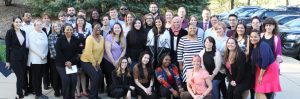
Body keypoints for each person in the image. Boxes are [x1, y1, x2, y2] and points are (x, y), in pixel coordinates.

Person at [249, 30, 281, 99]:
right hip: (260, 69)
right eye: (251, 37)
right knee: (258, 89)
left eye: (255, 37)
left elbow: (265, 61)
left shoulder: (263, 45)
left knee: (261, 90)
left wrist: (260, 76)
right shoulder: (254, 46)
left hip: (269, 69)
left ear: (259, 37)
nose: (253, 38)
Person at [55, 24, 80, 99]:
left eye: (70, 29)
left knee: (73, 80)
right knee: (66, 80)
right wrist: (66, 62)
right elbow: (58, 51)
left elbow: (77, 52)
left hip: (72, 63)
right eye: (67, 29)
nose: (69, 31)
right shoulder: (60, 39)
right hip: (61, 64)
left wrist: (70, 62)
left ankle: (71, 96)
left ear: (73, 30)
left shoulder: (75, 39)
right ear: (64, 30)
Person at [5, 16, 28, 99]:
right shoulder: (10, 32)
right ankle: (18, 94)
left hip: (23, 58)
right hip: (14, 58)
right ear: (13, 23)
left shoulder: (23, 32)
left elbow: (24, 46)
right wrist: (7, 61)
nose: (18, 23)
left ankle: (21, 92)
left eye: (19, 22)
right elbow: (7, 47)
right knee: (20, 75)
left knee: (22, 76)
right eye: (16, 22)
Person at [80, 24, 105, 99]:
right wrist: (94, 63)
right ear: (93, 29)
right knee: (95, 77)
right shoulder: (89, 38)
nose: (98, 29)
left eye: (99, 28)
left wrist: (98, 62)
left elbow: (102, 51)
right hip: (86, 61)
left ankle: (95, 95)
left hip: (96, 62)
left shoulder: (102, 38)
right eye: (96, 28)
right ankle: (92, 96)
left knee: (100, 76)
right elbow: (88, 52)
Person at [103, 23, 126, 97]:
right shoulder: (109, 37)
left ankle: (117, 92)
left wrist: (119, 61)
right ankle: (110, 93)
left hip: (119, 61)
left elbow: (124, 50)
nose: (117, 29)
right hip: (109, 61)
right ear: (113, 29)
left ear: (121, 29)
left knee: (117, 77)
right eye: (115, 28)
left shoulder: (123, 37)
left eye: (118, 28)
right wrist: (113, 62)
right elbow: (108, 51)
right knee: (110, 78)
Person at [27, 19, 49, 99]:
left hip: (43, 59)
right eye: (37, 24)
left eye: (41, 24)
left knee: (40, 77)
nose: (39, 26)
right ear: (34, 25)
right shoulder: (32, 34)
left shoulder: (43, 33)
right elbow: (32, 47)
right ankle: (38, 94)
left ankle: (40, 93)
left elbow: (47, 45)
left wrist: (45, 54)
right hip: (36, 59)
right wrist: (41, 55)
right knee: (37, 78)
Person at [21, 12, 34, 96]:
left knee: (32, 71)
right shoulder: (20, 26)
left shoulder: (34, 25)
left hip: (33, 50)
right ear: (23, 17)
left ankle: (32, 88)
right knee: (24, 71)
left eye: (29, 15)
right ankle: (25, 88)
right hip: (23, 51)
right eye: (26, 16)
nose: (28, 17)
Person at [48, 21, 62, 97]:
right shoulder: (51, 36)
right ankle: (56, 90)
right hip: (55, 59)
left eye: (58, 26)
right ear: (53, 28)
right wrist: (59, 58)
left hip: (63, 60)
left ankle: (62, 88)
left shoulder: (63, 35)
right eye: (55, 26)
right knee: (56, 75)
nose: (57, 28)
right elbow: (52, 49)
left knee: (62, 75)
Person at [41, 12, 52, 91]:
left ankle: (53, 83)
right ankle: (46, 84)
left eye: (48, 18)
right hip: (44, 51)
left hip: (52, 52)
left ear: (50, 19)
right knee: (45, 69)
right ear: (42, 19)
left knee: (52, 68)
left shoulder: (53, 27)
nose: (46, 19)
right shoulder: (40, 28)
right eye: (45, 18)